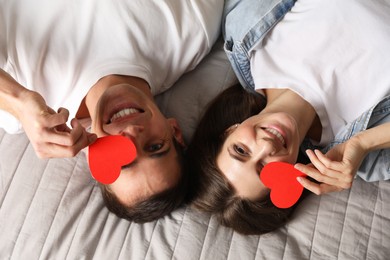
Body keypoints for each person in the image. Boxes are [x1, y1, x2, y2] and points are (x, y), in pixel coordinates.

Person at [0, 0, 224, 222]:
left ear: (94, 159)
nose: (132, 133)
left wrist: (18, 100)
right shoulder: (191, 32)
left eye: (123, 159)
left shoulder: (21, 107)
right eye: (155, 146)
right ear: (174, 130)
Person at [186, 0, 390, 235]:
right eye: (265, 169)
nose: (266, 146)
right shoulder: (370, 157)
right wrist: (364, 142)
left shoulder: (243, 34)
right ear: (289, 181)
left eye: (241, 150)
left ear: (230, 130)